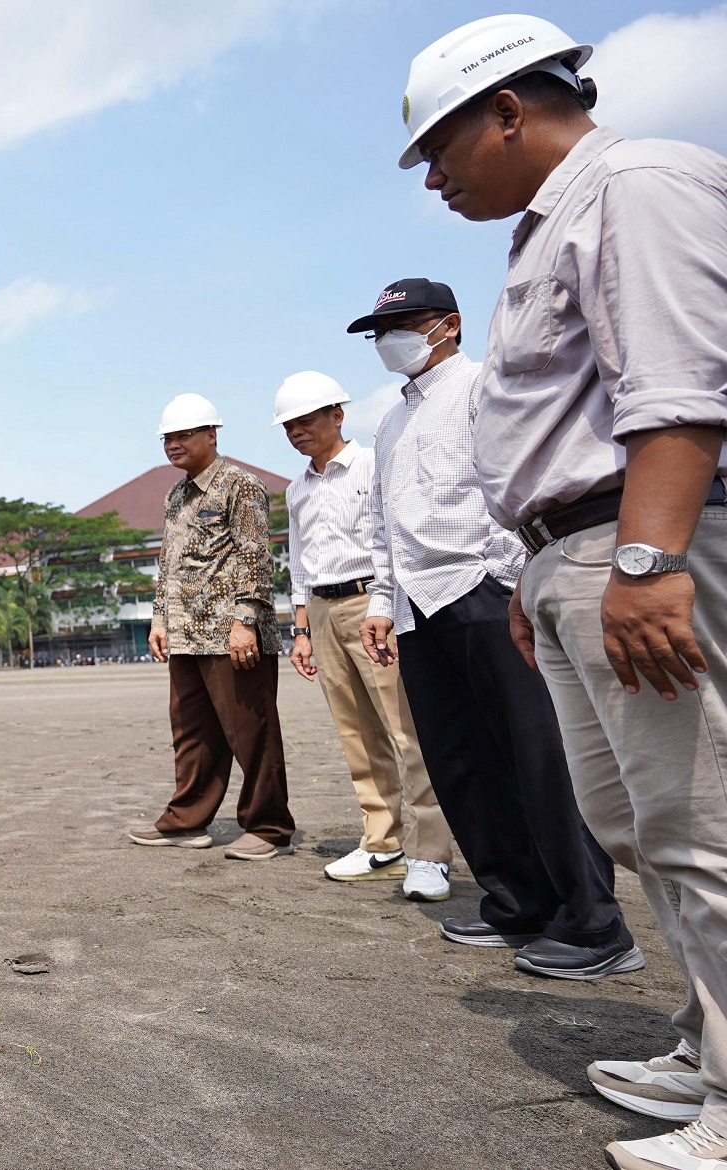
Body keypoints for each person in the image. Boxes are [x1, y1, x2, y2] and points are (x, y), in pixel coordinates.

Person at [402, 15, 727, 1165]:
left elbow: (680, 387)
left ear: (508, 110)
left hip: (629, 542)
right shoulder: (544, 232)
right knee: (635, 824)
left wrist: (645, 560)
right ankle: (706, 1043)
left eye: (439, 148)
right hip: (565, 555)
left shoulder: (633, 186)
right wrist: (536, 581)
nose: (432, 177)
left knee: (700, 821)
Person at [352, 273, 633, 979]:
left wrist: (508, 576)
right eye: (381, 331)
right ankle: (516, 900)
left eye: (404, 324)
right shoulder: (389, 421)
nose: (390, 341)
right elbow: (385, 524)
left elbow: (510, 485)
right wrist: (385, 602)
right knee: (461, 762)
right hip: (419, 604)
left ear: (447, 324)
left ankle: (594, 921)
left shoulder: (484, 388)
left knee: (537, 755)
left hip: (482, 590)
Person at [274, 372, 453, 897]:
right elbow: (299, 563)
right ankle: (383, 842)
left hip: (371, 602)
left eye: (307, 419)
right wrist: (301, 630)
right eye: (289, 424)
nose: (297, 431)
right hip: (324, 612)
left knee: (405, 730)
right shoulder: (296, 488)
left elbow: (389, 542)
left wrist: (386, 605)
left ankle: (430, 853)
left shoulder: (373, 466)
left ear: (337, 415)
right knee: (356, 733)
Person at [131, 393, 296, 861]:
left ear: (212, 435)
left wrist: (246, 620)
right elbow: (169, 563)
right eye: (168, 438)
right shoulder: (176, 495)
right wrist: (159, 618)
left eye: (185, 435)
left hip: (231, 635)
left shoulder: (239, 485)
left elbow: (254, 557)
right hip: (185, 635)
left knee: (251, 731)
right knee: (192, 734)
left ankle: (268, 827)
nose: (174, 444)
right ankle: (186, 822)